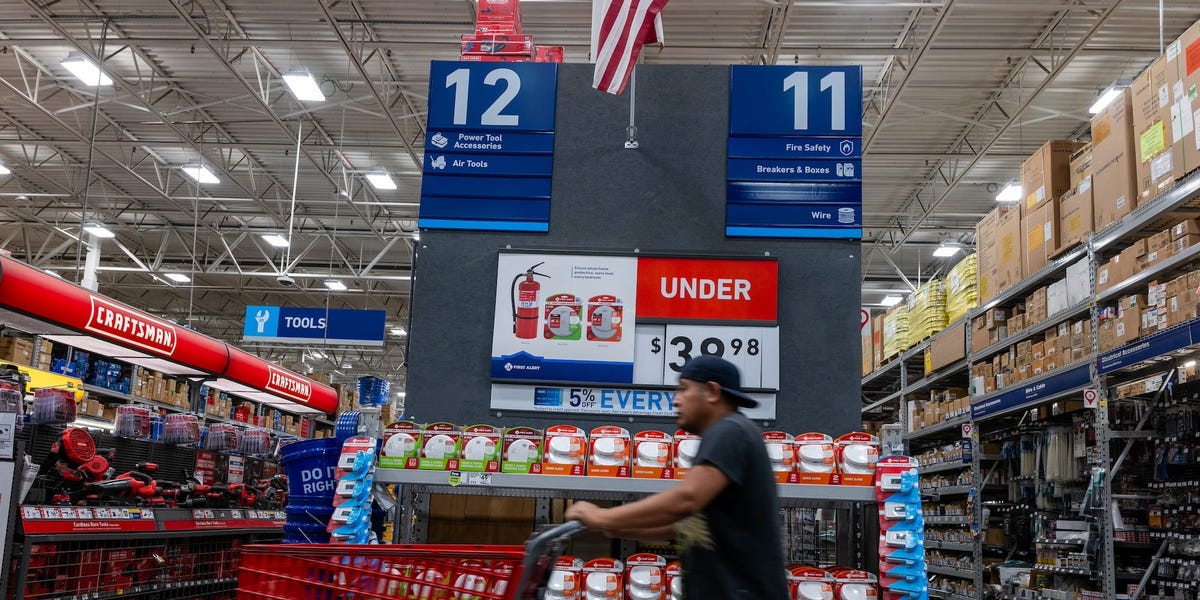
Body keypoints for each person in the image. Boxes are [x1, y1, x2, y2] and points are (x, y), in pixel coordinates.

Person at [564, 355, 789, 600]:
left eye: (683, 389)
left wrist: (600, 516)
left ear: (712, 392)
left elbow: (686, 499)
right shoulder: (730, 433)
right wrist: (616, 526)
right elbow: (683, 527)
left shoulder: (730, 431)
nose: (676, 400)